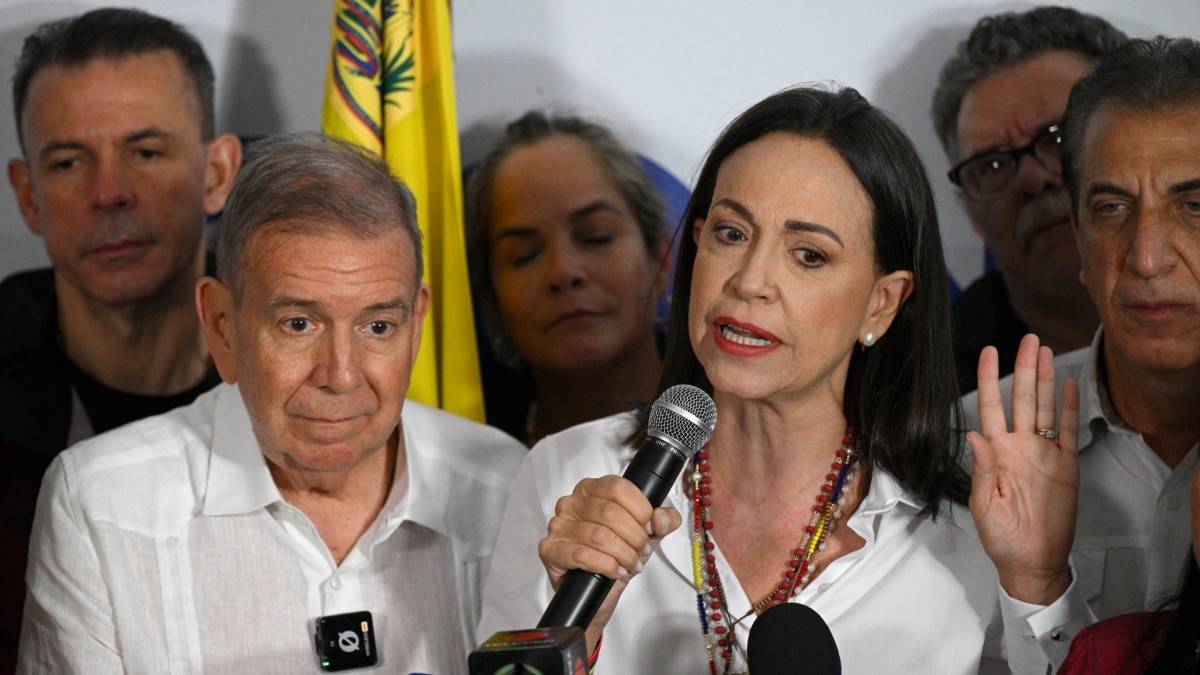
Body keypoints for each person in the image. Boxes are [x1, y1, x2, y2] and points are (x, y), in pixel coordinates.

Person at [477, 85, 1073, 673]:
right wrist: (579, 635)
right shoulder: (568, 473)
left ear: (882, 304)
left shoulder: (973, 527)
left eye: (809, 254)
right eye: (731, 234)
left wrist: (1036, 583)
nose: (750, 280)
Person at [17, 132, 526, 673]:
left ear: (416, 325)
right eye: (299, 324)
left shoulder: (505, 486)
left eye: (378, 326)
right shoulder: (101, 506)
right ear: (221, 326)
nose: (341, 377)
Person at [0, 7, 241, 669]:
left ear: (217, 173)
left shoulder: (315, 384)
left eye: (146, 152)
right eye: (69, 161)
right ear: (28, 195)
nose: (109, 192)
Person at [962, 34, 1200, 672]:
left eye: (1194, 206)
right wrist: (1036, 586)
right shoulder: (968, 447)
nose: (1147, 258)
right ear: (1079, 233)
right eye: (1112, 208)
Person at [932, 6, 1126, 393]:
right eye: (993, 165)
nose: (1033, 178)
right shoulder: (933, 387)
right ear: (973, 218)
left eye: (1060, 138)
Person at [465, 111, 671, 445]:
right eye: (525, 255)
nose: (564, 271)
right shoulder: (466, 462)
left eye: (596, 236)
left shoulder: (744, 421)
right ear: (492, 301)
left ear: (661, 258)